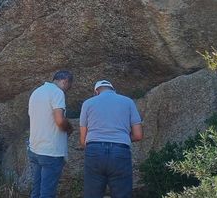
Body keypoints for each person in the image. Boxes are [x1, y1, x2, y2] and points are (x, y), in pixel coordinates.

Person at [79, 80, 143, 198]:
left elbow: (83, 140)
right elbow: (138, 135)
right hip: (120, 151)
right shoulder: (128, 102)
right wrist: (122, 138)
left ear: (96, 92)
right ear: (113, 90)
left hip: (95, 151)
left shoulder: (88, 103)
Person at [27, 70, 74, 198]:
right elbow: (59, 120)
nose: (67, 90)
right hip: (51, 151)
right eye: (68, 87)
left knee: (36, 191)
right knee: (47, 193)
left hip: (35, 148)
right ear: (65, 81)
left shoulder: (37, 92)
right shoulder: (57, 93)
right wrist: (69, 128)